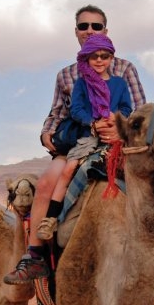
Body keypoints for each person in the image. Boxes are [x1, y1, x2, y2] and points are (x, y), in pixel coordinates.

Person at [3, 4, 154, 285]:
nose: (89, 31)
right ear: (76, 31)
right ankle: (34, 256)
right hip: (78, 143)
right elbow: (57, 114)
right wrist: (47, 135)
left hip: (122, 143)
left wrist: (120, 129)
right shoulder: (67, 76)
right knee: (44, 186)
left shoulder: (124, 69)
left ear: (106, 31)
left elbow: (140, 110)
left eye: (96, 26)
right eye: (84, 26)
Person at [35, 33, 133, 241]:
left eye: (104, 56)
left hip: (116, 135)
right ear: (86, 58)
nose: (99, 60)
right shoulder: (81, 83)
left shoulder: (119, 84)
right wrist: (93, 123)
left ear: (111, 58)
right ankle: (51, 218)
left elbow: (127, 107)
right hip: (89, 134)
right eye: (94, 56)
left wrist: (116, 120)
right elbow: (76, 109)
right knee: (68, 169)